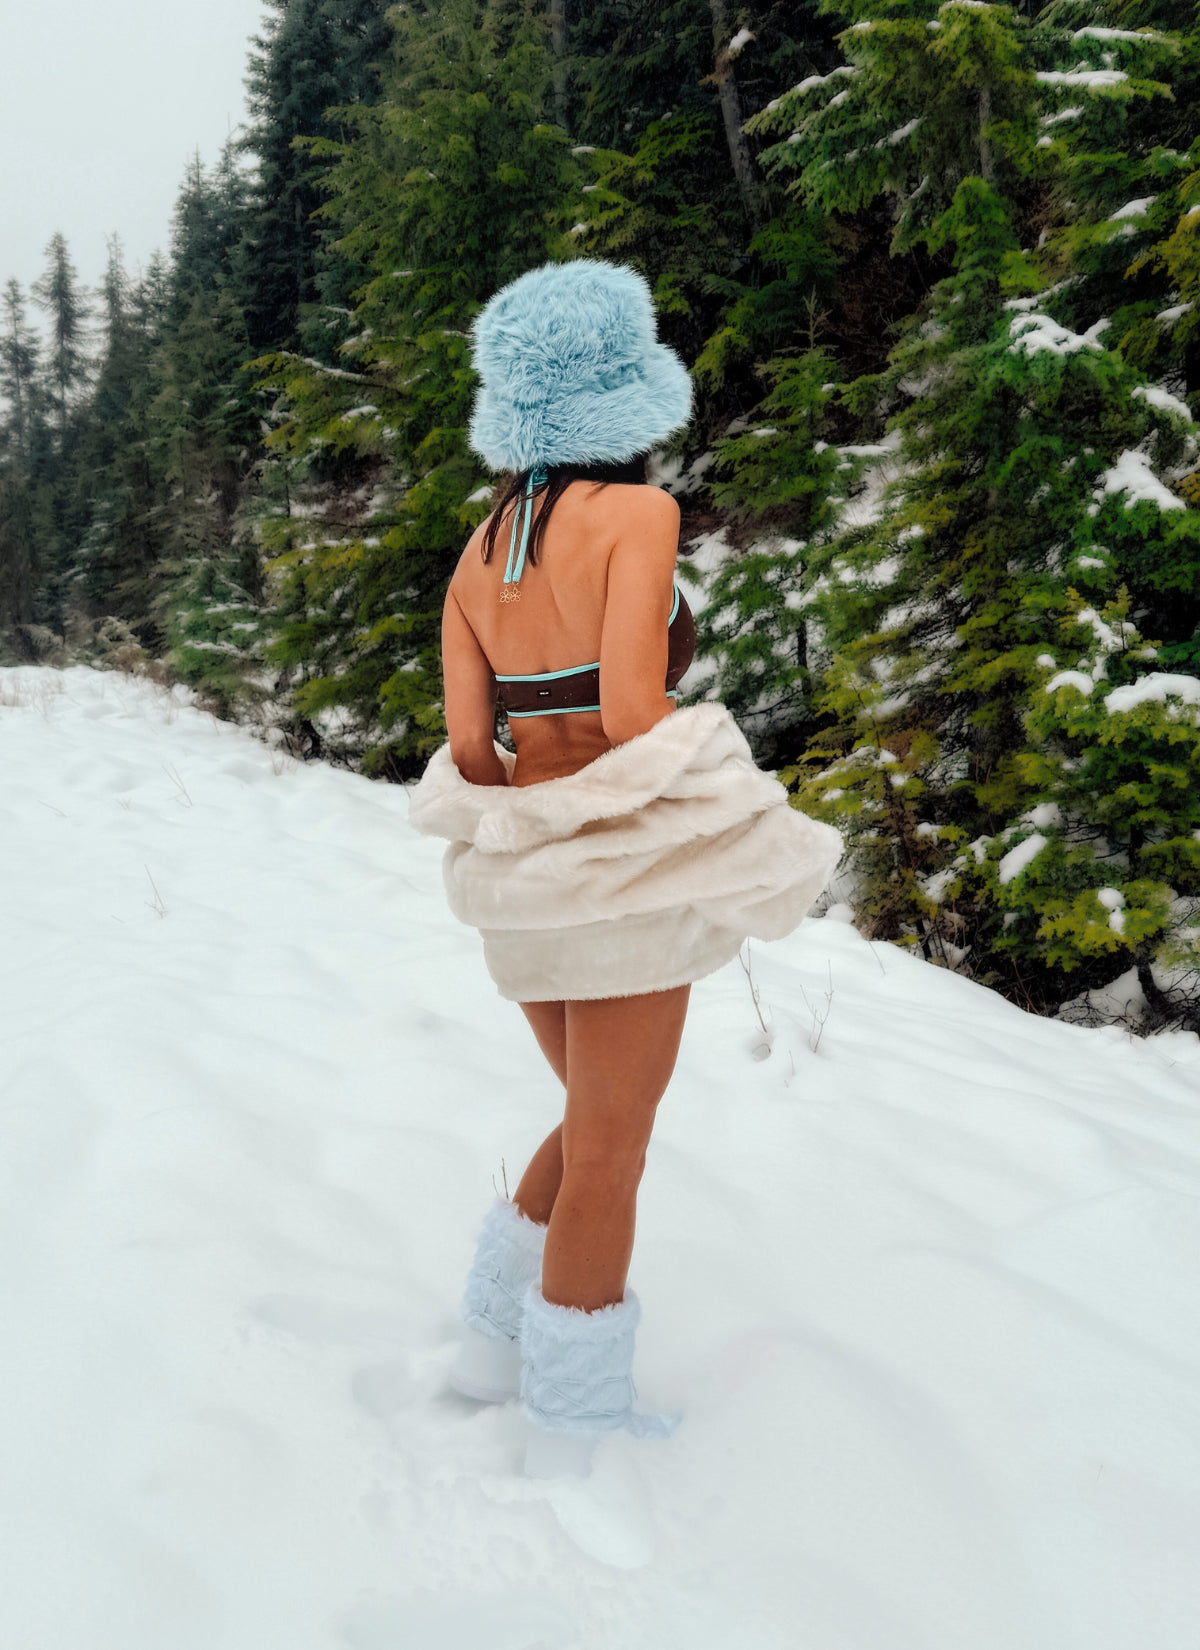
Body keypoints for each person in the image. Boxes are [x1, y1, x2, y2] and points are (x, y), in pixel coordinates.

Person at [409, 259, 842, 1476]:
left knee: (590, 1117)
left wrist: (536, 829)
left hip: (526, 885)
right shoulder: (640, 520)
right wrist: (717, 801)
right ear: (622, 396)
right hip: (622, 884)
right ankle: (576, 1422)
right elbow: (637, 706)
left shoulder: (476, 551)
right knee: (613, 1145)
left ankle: (491, 1345)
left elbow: (466, 745)